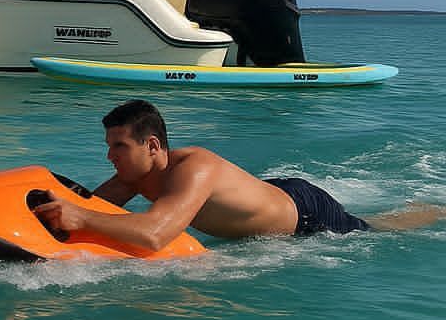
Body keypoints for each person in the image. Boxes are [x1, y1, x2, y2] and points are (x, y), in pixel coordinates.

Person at [33, 99, 446, 249]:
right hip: (268, 193)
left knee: (377, 229)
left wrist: (83, 216)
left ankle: (430, 211)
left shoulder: (195, 167)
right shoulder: (130, 178)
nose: (110, 156)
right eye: (108, 146)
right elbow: (91, 206)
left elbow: (156, 233)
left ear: (153, 146)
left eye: (118, 147)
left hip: (304, 215)